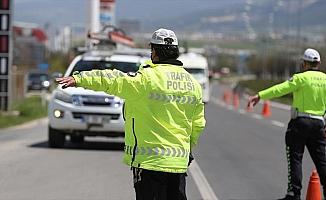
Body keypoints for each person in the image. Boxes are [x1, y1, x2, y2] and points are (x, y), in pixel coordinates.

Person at [56, 28, 206, 200]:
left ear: (154, 51)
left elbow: (113, 80)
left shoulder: (147, 79)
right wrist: (186, 148)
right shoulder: (193, 84)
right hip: (178, 164)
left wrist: (80, 79)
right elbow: (198, 124)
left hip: (149, 163)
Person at [247, 48, 326, 200]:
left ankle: (294, 194)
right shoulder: (325, 79)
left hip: (300, 122)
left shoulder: (301, 78)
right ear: (318, 63)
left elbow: (280, 89)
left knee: (295, 158)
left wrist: (260, 95)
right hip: (318, 124)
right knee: (321, 160)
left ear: (304, 64)